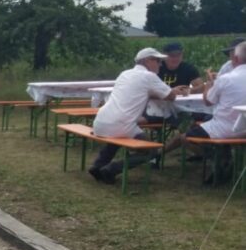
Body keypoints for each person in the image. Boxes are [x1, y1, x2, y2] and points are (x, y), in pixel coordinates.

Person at [88, 47, 188, 185]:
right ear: (148, 60)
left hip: (100, 121)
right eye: (158, 61)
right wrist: (175, 91)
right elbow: (170, 96)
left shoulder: (125, 74)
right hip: (121, 125)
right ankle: (111, 169)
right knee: (152, 150)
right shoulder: (149, 76)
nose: (160, 64)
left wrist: (168, 91)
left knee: (116, 138)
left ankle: (98, 165)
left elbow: (142, 91)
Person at [184, 42, 246, 184]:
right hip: (244, 127)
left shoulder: (226, 78)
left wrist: (210, 84)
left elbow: (208, 101)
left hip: (226, 128)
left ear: (235, 59)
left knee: (187, 136)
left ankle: (219, 160)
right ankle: (226, 159)